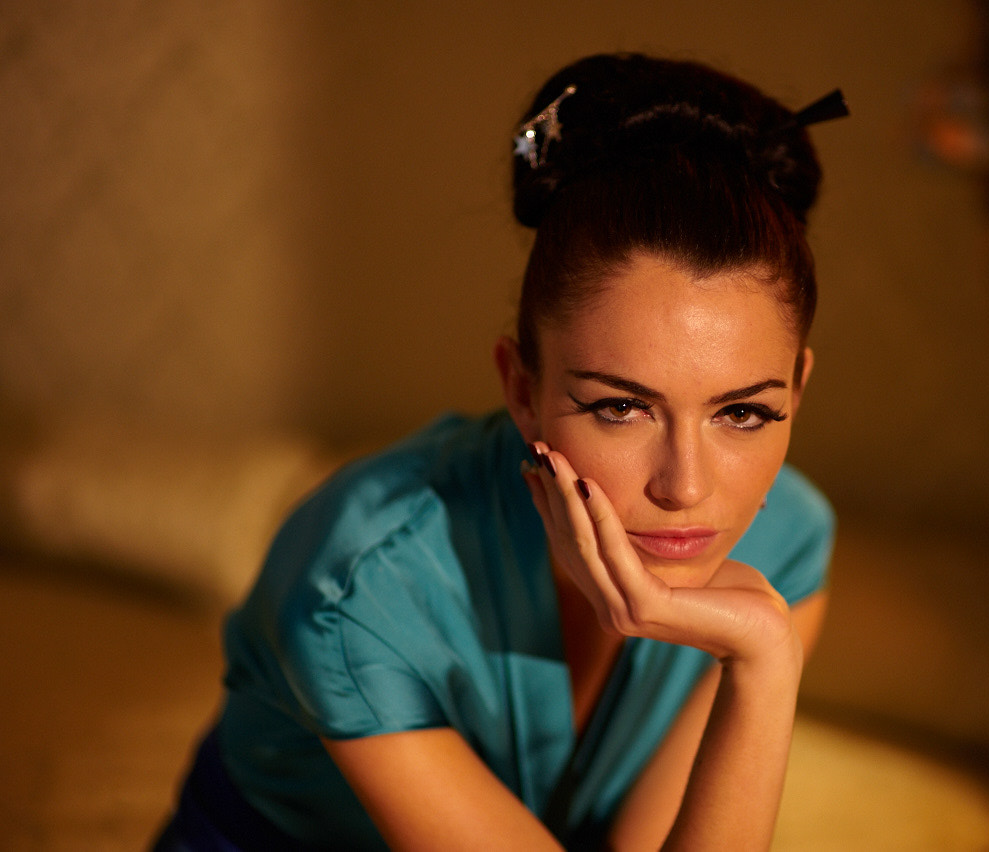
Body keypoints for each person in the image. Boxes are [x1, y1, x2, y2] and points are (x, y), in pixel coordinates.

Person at [154, 52, 845, 851]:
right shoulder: (360, 582)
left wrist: (764, 662)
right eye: (620, 408)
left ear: (798, 389)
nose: (685, 487)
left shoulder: (788, 542)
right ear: (521, 388)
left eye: (744, 413)